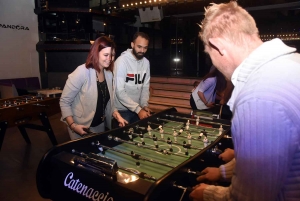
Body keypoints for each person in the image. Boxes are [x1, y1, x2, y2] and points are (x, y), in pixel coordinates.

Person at [190, 1, 300, 201]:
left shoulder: (257, 98)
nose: (213, 63)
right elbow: (266, 163)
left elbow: (248, 197)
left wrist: (208, 193)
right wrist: (223, 172)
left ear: (218, 46)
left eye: (210, 55)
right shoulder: (292, 63)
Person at [60, 36, 127, 140]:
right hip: (79, 126)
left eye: (112, 55)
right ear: (96, 53)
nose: (110, 59)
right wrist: (73, 126)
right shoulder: (81, 72)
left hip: (99, 125)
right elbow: (64, 101)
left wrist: (118, 116)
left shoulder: (109, 74)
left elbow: (108, 102)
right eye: (106, 55)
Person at [113, 32, 151, 125]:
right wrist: (138, 109)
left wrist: (144, 105)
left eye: (145, 48)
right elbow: (119, 91)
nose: (142, 50)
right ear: (132, 44)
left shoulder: (146, 63)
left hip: (138, 109)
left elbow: (145, 87)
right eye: (139, 47)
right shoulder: (121, 62)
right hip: (122, 111)